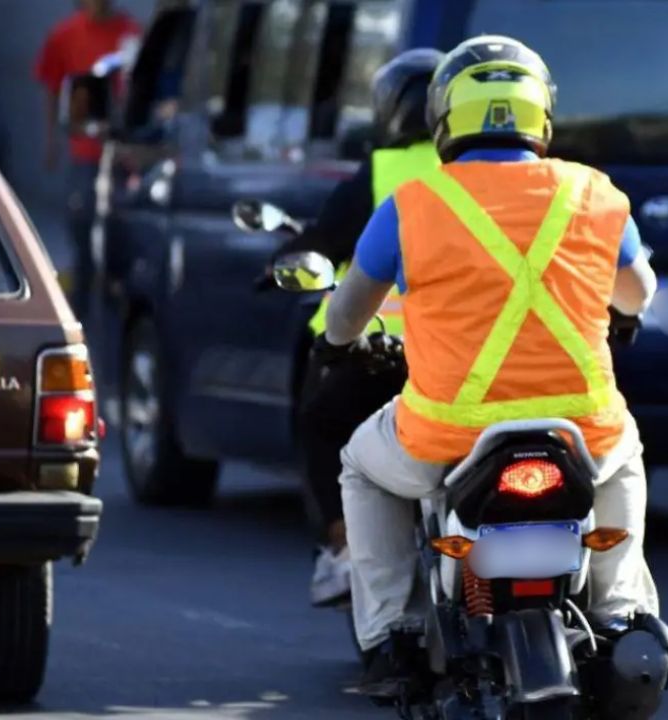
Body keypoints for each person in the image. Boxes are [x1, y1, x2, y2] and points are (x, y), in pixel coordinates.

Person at [313, 35, 661, 687]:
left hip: (445, 434)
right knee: (625, 453)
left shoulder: (411, 204)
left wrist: (335, 344)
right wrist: (620, 312)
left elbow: (345, 316)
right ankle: (619, 612)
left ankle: (392, 634)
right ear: (542, 116)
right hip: (582, 431)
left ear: (444, 118)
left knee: (360, 467)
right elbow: (639, 294)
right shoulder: (594, 192)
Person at [272, 48, 445, 608]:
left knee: (320, 424)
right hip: (479, 358)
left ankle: (344, 547)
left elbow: (324, 246)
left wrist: (281, 262)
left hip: (386, 357)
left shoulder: (381, 175)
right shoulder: (480, 173)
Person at [34, 0, 142, 321]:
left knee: (121, 228)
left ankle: (117, 301)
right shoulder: (64, 35)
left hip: (122, 153)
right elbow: (53, 89)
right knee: (81, 224)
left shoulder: (130, 34)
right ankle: (81, 311)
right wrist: (51, 140)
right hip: (85, 153)